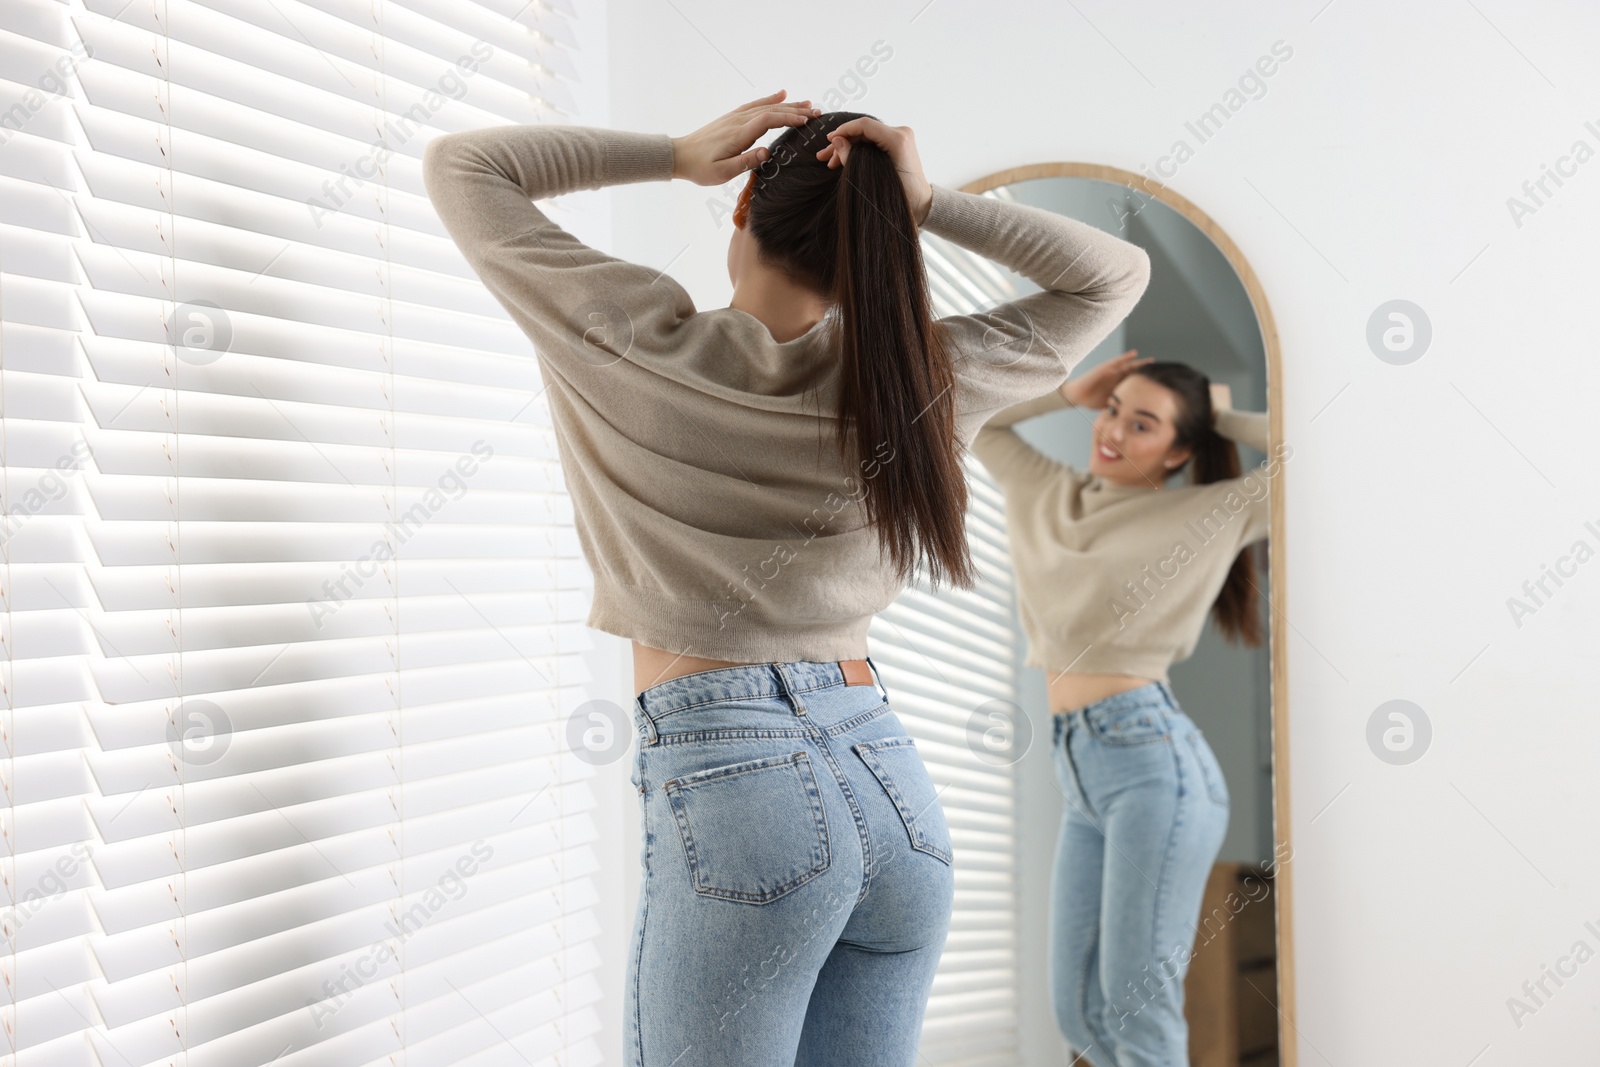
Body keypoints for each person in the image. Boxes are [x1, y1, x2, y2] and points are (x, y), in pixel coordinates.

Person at [423, 90, 1151, 1066]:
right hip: (889, 785)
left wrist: (677, 149)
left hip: (739, 786)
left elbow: (467, 167)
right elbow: (1112, 277)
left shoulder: (629, 339)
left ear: (742, 207)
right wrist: (926, 201)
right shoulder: (920, 376)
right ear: (879, 246)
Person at [972, 349, 1281, 1066]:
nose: (1112, 430)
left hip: (1152, 763)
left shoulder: (1208, 513)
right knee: (1077, 1010)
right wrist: (1067, 393)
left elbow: (1320, 453)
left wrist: (1219, 413)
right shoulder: (1049, 491)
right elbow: (970, 419)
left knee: (1136, 1005)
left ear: (1181, 449)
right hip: (1078, 766)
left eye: (1142, 424)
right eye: (1113, 410)